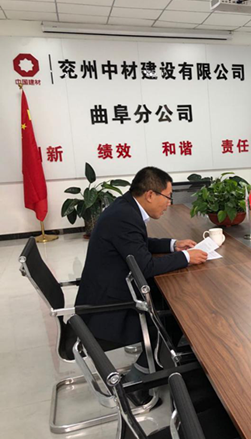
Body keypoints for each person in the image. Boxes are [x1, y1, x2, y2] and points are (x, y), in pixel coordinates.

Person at [75, 167, 207, 401]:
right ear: (150, 195)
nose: (169, 203)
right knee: (176, 311)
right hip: (107, 308)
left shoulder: (125, 208)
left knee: (171, 300)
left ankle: (162, 361)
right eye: (167, 197)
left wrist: (172, 245)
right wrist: (186, 257)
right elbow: (145, 266)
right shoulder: (124, 217)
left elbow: (138, 244)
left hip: (108, 291)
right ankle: (138, 380)